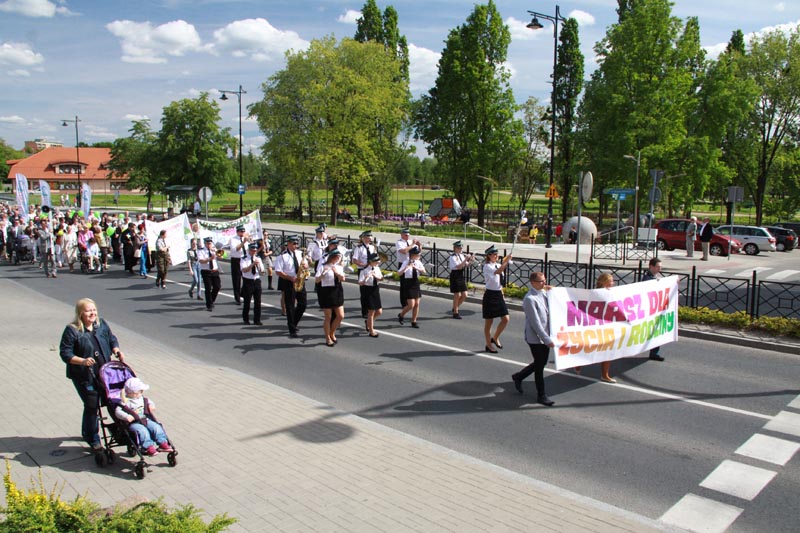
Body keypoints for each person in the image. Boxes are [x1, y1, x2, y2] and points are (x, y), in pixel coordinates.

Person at [59, 298, 126, 451]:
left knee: (112, 401)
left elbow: (111, 338)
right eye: (88, 310)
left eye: (94, 310)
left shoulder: (101, 324)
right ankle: (93, 438)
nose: (92, 313)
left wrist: (116, 350)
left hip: (104, 373)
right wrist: (82, 361)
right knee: (92, 405)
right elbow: (65, 353)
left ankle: (118, 431)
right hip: (84, 376)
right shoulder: (72, 330)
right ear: (80, 313)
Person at [512, 272, 555, 406]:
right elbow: (535, 323)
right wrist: (547, 339)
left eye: (544, 280)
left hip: (546, 334)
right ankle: (541, 395)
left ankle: (519, 376)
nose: (544, 283)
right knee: (540, 366)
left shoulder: (544, 294)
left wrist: (553, 290)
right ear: (532, 283)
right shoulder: (529, 299)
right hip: (535, 338)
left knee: (541, 362)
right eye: (541, 281)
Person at [574, 273, 617, 383]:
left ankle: (605, 375)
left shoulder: (612, 293)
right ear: (604, 282)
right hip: (596, 325)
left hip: (607, 325)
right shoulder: (596, 293)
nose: (613, 283)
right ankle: (578, 363)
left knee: (608, 349)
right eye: (611, 281)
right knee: (591, 348)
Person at [114, 377, 172, 456]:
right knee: (143, 431)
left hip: (145, 419)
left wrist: (151, 406)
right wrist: (126, 416)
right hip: (134, 423)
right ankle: (148, 447)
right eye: (140, 391)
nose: (142, 392)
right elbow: (118, 411)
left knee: (156, 427)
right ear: (134, 393)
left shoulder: (141, 398)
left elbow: (149, 402)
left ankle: (162, 443)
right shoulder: (125, 402)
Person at [275, 235, 309, 338]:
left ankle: (294, 322)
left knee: (303, 304)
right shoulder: (282, 256)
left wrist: (306, 266)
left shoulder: (299, 253)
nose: (296, 245)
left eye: (297, 243)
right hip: (289, 282)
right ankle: (292, 329)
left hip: (300, 281)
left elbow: (305, 265)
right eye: (294, 243)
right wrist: (290, 278)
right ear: (288, 243)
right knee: (290, 306)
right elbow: (278, 271)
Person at [482, 245, 511, 353]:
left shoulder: (498, 264)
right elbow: (498, 272)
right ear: (489, 256)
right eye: (494, 254)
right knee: (489, 322)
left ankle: (495, 337)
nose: (496, 256)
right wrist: (506, 262)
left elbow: (499, 279)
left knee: (506, 318)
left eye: (497, 254)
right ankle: (488, 344)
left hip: (498, 293)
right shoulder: (487, 266)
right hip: (490, 295)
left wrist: (502, 293)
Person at [315, 248, 346, 346]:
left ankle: (332, 332)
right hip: (326, 292)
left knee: (340, 316)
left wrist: (337, 273)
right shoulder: (322, 267)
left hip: (337, 291)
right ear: (333, 257)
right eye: (338, 257)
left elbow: (343, 278)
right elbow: (317, 280)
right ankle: (327, 338)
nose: (339, 259)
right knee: (328, 317)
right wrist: (323, 274)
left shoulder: (338, 267)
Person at [641, 257, 666, 361]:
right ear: (651, 266)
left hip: (656, 308)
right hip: (649, 310)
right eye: (657, 267)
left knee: (656, 331)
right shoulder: (646, 279)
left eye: (660, 267)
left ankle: (654, 352)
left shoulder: (658, 276)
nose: (659, 269)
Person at [397, 246, 426, 328]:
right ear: (412, 255)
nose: (418, 256)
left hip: (415, 282)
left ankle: (414, 321)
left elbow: (424, 272)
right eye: (417, 255)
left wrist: (417, 268)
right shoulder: (406, 262)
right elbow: (399, 273)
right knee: (411, 304)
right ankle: (401, 314)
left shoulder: (418, 262)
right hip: (408, 283)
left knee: (417, 303)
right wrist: (405, 268)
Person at [352, 230, 376, 319]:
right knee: (364, 292)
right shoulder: (359, 248)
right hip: (362, 270)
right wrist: (363, 265)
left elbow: (375, 258)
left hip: (371, 270)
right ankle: (364, 311)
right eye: (368, 237)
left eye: (370, 237)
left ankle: (371, 308)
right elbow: (354, 260)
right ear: (364, 238)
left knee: (372, 289)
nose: (370, 239)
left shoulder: (372, 247)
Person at [359, 252, 383, 337]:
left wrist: (375, 276)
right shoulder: (364, 270)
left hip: (375, 290)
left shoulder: (377, 268)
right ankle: (371, 331)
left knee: (379, 311)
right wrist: (366, 278)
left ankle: (368, 322)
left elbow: (381, 278)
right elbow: (360, 283)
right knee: (371, 312)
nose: (377, 262)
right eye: (375, 261)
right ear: (370, 261)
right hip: (368, 290)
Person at [240, 242, 265, 325]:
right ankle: (245, 319)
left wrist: (261, 270)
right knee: (247, 302)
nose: (254, 252)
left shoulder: (258, 258)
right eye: (252, 250)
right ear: (249, 250)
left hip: (256, 281)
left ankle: (257, 320)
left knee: (258, 302)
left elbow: (262, 270)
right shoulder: (244, 258)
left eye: (255, 250)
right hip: (248, 281)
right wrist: (253, 264)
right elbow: (244, 270)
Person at [395, 228, 419, 308]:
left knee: (410, 283)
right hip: (403, 264)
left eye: (408, 235)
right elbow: (404, 251)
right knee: (403, 284)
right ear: (401, 235)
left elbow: (417, 252)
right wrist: (412, 244)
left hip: (411, 263)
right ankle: (404, 303)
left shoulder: (410, 241)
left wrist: (419, 245)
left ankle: (410, 300)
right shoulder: (399, 242)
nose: (407, 236)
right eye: (405, 235)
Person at [197, 236, 222, 311]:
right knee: (208, 288)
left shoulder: (214, 250)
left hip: (215, 270)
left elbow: (222, 256)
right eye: (207, 243)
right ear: (205, 243)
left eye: (210, 243)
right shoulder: (201, 251)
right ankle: (209, 305)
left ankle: (211, 300)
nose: (209, 245)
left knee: (217, 287)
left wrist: (217, 252)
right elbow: (201, 261)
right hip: (206, 271)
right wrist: (210, 258)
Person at [448, 241, 471, 319]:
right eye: (458, 248)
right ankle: (455, 312)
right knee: (457, 295)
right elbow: (459, 266)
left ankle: (455, 307)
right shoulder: (452, 257)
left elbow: (466, 265)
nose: (460, 249)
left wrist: (471, 260)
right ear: (455, 248)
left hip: (460, 275)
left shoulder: (461, 255)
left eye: (461, 248)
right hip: (455, 275)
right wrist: (466, 259)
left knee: (465, 294)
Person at [229, 225, 248, 305]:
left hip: (244, 259)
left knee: (247, 278)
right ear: (237, 232)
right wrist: (243, 242)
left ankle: (242, 294)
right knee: (236, 280)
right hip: (236, 260)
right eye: (241, 231)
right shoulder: (233, 239)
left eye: (243, 231)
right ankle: (237, 298)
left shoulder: (245, 239)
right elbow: (235, 249)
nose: (242, 233)